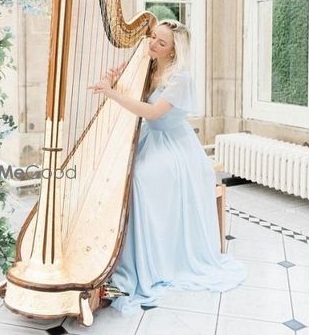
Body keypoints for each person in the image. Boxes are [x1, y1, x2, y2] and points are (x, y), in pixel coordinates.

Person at [89, 19, 246, 316]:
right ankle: (115, 251)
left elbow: (151, 112)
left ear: (173, 51)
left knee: (139, 179)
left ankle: (151, 257)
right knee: (118, 175)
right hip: (150, 139)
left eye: (161, 43)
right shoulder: (147, 66)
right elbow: (131, 96)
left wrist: (112, 92)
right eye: (152, 37)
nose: (152, 44)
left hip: (174, 147)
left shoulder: (180, 78)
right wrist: (115, 81)